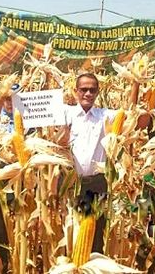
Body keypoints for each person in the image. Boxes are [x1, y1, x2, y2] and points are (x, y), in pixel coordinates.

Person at [64, 73, 114, 254]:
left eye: (92, 90)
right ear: (76, 91)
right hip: (70, 184)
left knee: (94, 233)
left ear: (97, 92)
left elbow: (134, 118)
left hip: (96, 184)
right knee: (70, 231)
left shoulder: (104, 116)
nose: (88, 93)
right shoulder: (66, 113)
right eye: (84, 89)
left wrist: (136, 84)